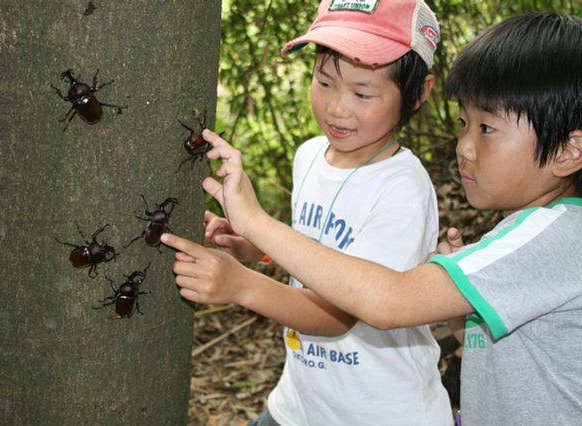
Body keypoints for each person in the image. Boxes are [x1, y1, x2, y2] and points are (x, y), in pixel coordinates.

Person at [163, 12, 582, 424]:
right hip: (302, 403)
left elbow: (382, 303)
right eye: (462, 123)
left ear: (569, 151)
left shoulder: (552, 238)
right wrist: (260, 248)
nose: (463, 147)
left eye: (486, 129)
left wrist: (250, 245)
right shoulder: (526, 232)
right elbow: (486, 344)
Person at [174, 1, 454, 425]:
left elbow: (336, 315)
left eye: (362, 93)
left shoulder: (402, 191)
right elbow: (316, 251)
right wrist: (254, 245)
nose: (337, 107)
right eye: (324, 82)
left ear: (418, 94)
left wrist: (241, 284)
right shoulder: (309, 155)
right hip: (301, 404)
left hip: (378, 414)